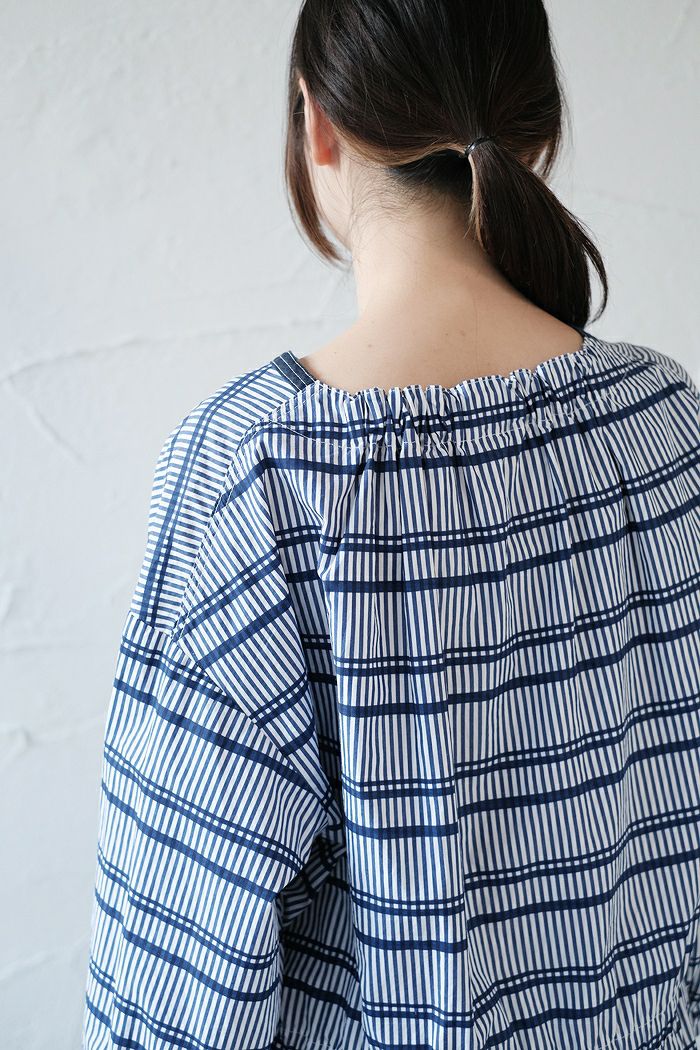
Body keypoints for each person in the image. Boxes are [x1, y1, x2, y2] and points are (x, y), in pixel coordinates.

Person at [82, 1, 700, 1048]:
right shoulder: (667, 419)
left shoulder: (260, 470)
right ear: (537, 128)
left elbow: (176, 970)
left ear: (318, 125)